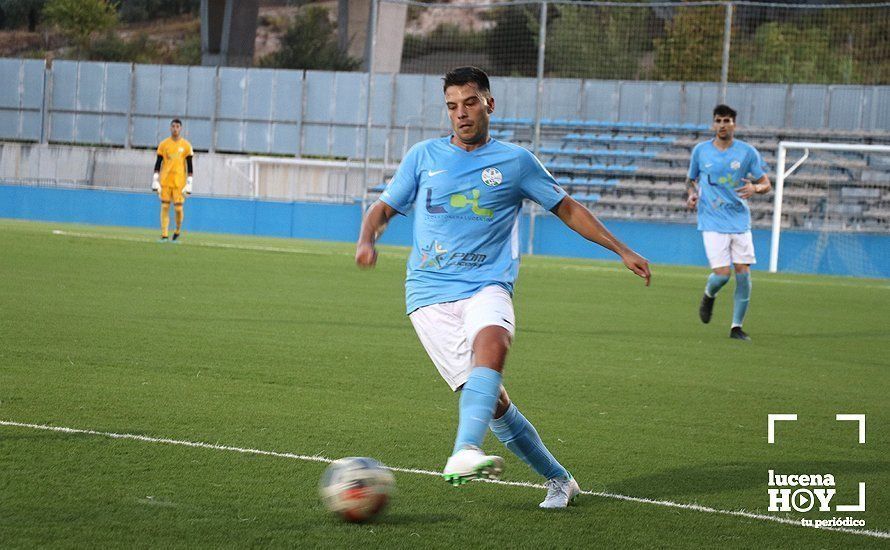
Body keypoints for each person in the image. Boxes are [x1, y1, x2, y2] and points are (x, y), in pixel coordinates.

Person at [355, 67, 651, 508]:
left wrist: (621, 249)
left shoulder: (515, 162)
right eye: (452, 106)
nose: (461, 114)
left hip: (487, 284)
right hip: (428, 296)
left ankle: (465, 451)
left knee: (494, 343)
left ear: (489, 104)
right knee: (494, 403)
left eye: (470, 102)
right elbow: (382, 208)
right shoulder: (423, 157)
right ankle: (559, 479)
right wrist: (366, 240)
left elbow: (567, 208)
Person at [686, 104, 772, 341]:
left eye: (727, 121)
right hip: (712, 220)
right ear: (713, 124)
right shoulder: (701, 151)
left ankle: (736, 327)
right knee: (723, 275)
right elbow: (691, 180)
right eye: (718, 121)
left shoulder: (747, 152)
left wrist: (755, 187)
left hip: (739, 220)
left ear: (734, 124)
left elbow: (766, 184)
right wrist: (692, 194)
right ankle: (709, 294)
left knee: (743, 273)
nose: (722, 125)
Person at [152, 119, 194, 242]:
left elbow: (189, 164)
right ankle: (164, 235)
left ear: (180, 129)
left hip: (179, 183)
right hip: (165, 181)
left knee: (178, 209)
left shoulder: (186, 145)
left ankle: (177, 230)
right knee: (164, 207)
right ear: (170, 128)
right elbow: (158, 162)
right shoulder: (164, 145)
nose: (175, 129)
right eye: (173, 126)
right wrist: (155, 179)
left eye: (177, 126)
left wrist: (189, 182)